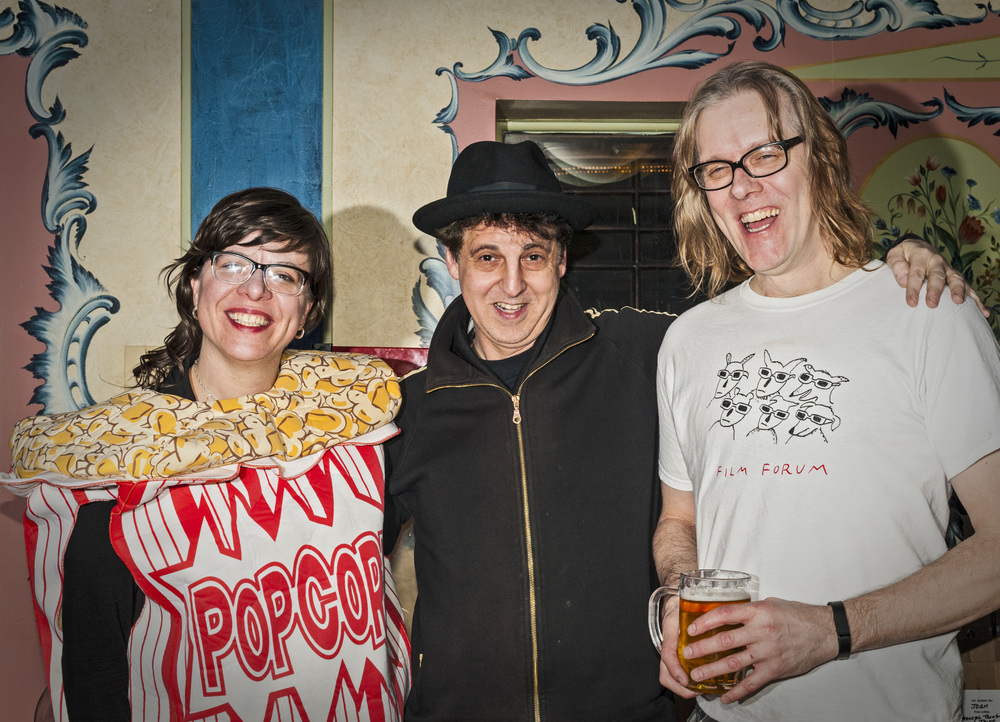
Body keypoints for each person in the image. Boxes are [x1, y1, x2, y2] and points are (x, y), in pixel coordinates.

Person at [384, 139, 967, 720]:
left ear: (562, 259)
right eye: (487, 257)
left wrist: (894, 265)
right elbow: (333, 553)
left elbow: (781, 313)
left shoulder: (652, 352)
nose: (512, 285)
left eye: (533, 256)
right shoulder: (403, 411)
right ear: (452, 259)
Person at [653, 60, 1000, 722]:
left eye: (763, 154)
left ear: (816, 154)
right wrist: (677, 592)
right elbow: (680, 522)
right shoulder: (687, 343)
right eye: (717, 169)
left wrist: (833, 628)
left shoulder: (926, 310)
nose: (742, 188)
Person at [3, 188, 409, 721]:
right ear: (194, 284)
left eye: (285, 275)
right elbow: (95, 680)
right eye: (234, 264)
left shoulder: (361, 438)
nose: (257, 290)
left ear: (310, 309)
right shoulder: (116, 460)